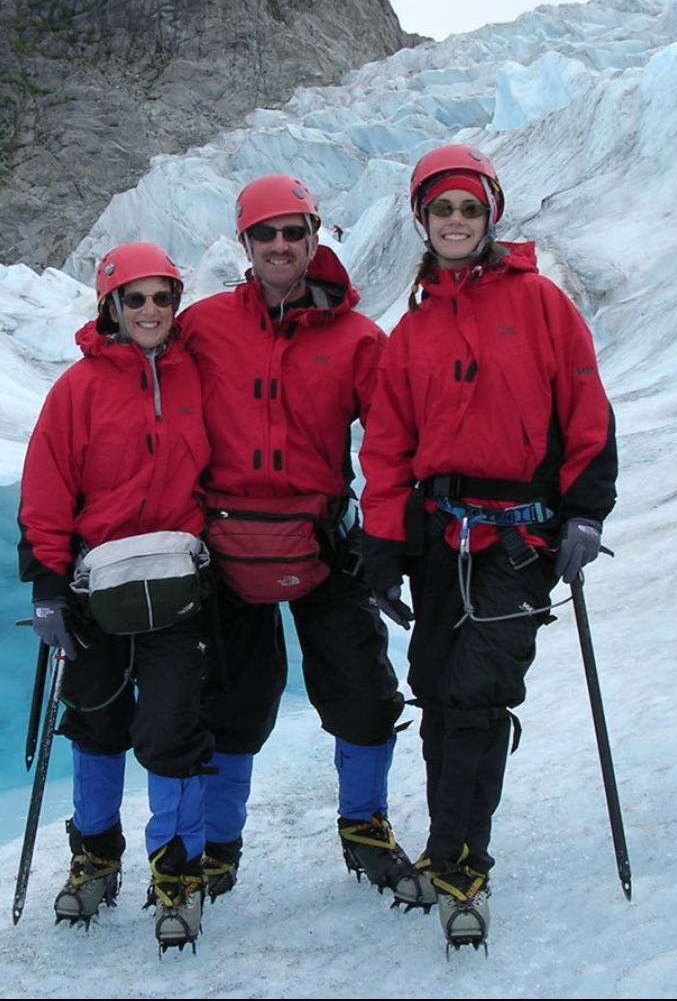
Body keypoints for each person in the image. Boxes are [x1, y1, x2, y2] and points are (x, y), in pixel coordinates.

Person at [359, 144, 618, 947]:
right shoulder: (412, 331)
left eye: (470, 209)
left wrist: (585, 511)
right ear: (423, 221)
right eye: (444, 210)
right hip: (441, 538)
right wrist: (384, 544)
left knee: (476, 693)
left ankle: (462, 866)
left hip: (516, 539)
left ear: (491, 215)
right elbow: (390, 447)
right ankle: (453, 842)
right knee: (437, 690)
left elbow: (585, 409)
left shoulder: (541, 305)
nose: (458, 222)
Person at [177, 175, 429, 911]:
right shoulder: (203, 325)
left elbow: (393, 443)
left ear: (316, 236)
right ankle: (218, 849)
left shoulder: (357, 339)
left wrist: (392, 540)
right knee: (230, 705)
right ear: (245, 244)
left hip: (324, 543)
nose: (281, 246)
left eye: (294, 232)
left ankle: (365, 828)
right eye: (266, 234)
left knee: (363, 694)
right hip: (222, 549)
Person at [17, 242, 215, 952]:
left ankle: (177, 874)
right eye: (136, 299)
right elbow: (45, 488)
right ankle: (96, 858)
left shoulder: (199, 377)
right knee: (97, 725)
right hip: (93, 592)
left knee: (170, 731)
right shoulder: (77, 390)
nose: (151, 311)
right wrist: (46, 582)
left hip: (177, 589)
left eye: (162, 297)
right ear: (112, 307)